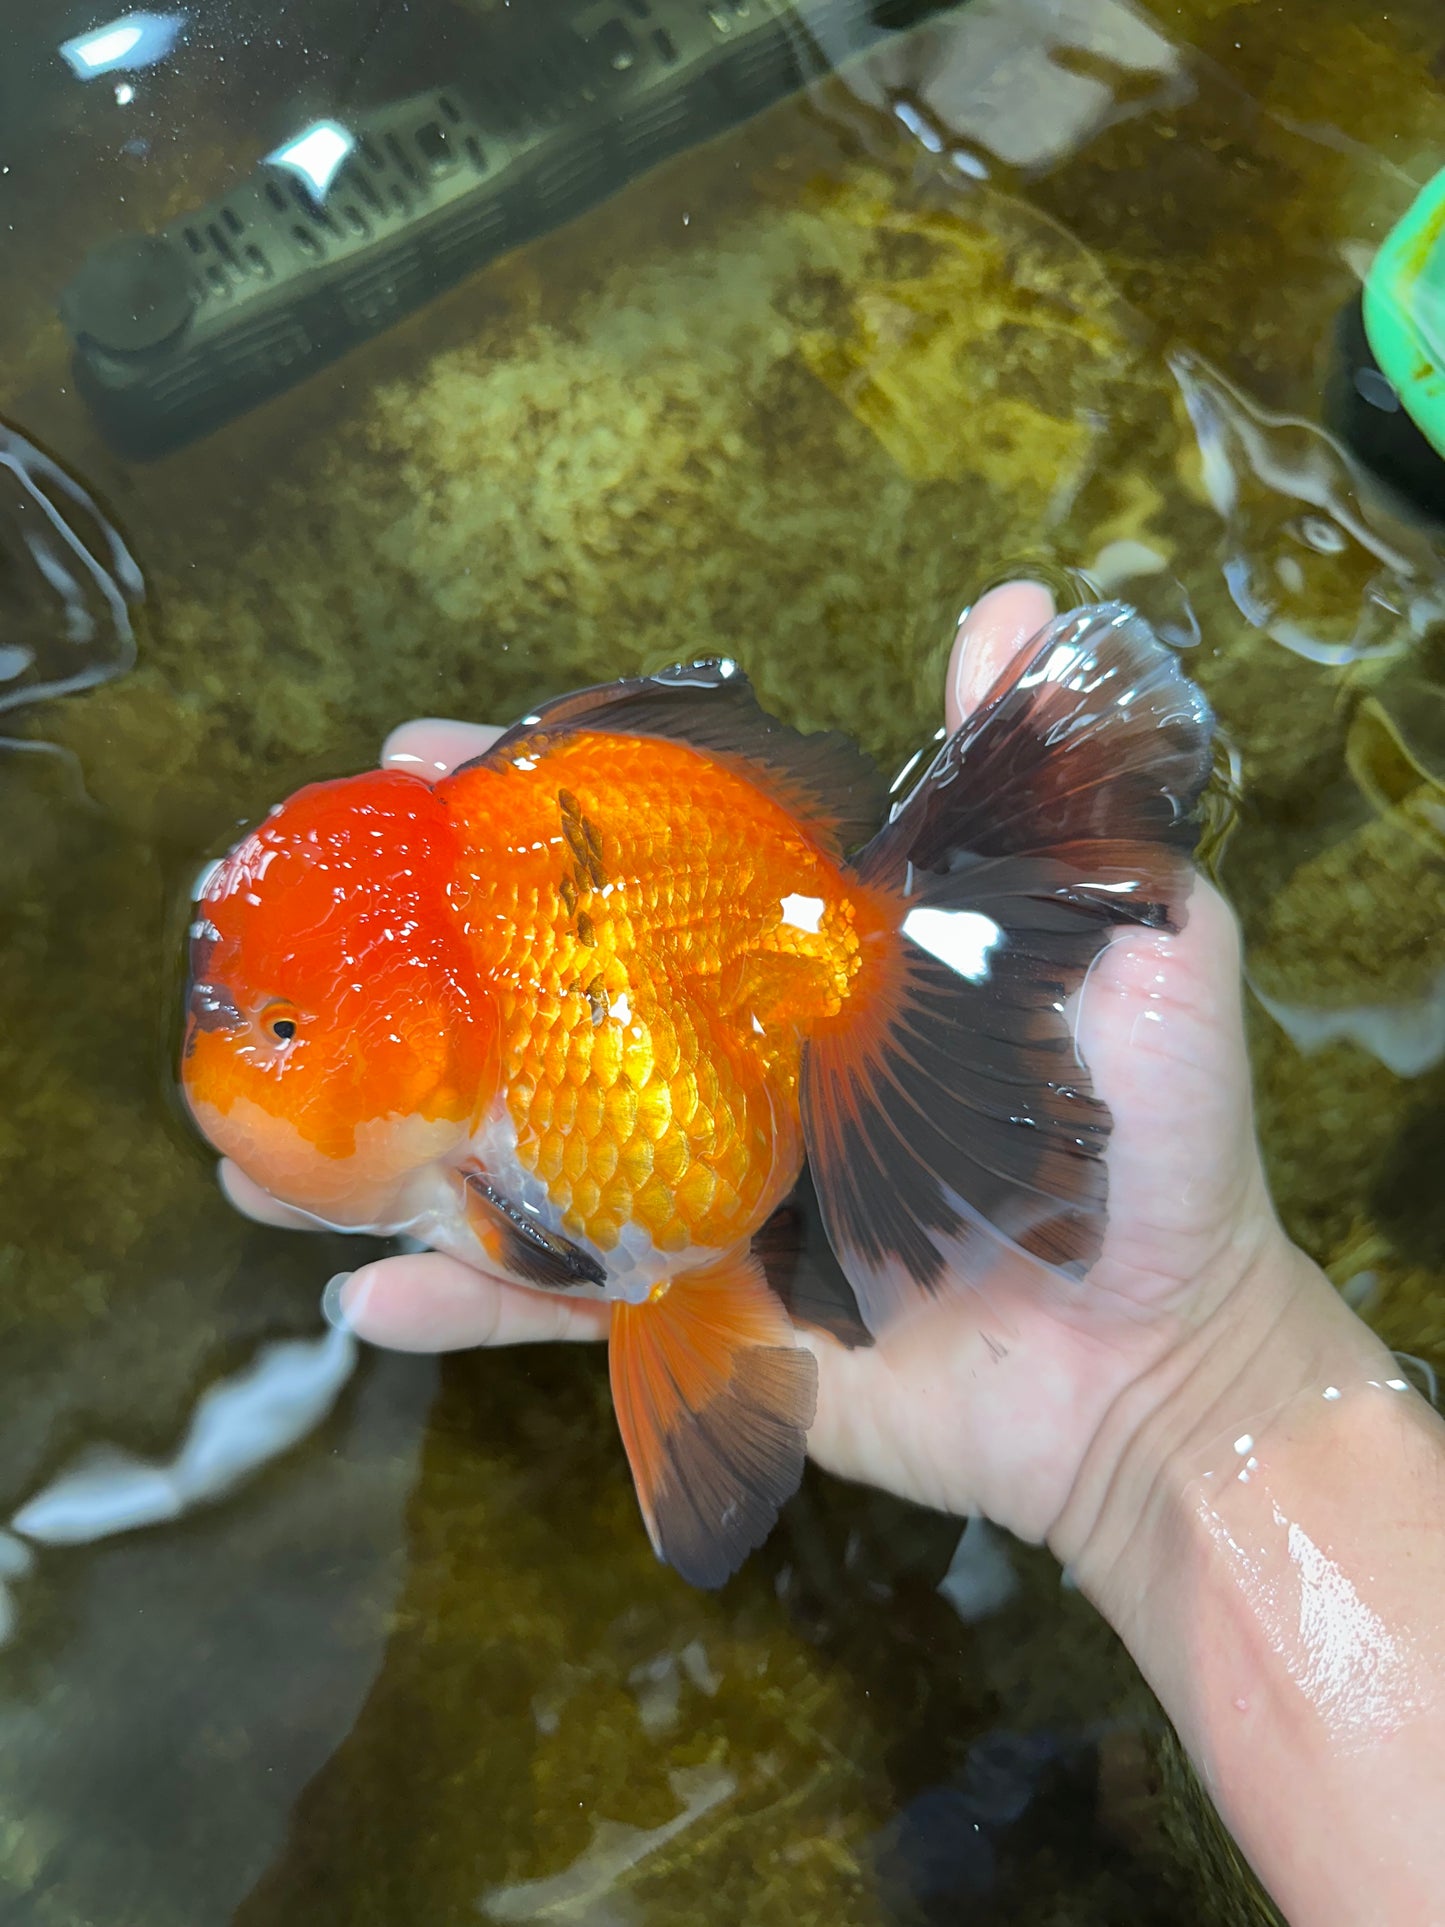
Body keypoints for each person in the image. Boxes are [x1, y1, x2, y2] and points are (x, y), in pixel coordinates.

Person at [223, 582, 1445, 1924]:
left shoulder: (530, 1088)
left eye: (277, 1030)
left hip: (754, 962)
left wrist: (1192, 1377)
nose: (245, 1059)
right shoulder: (464, 1114)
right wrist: (1201, 1394)